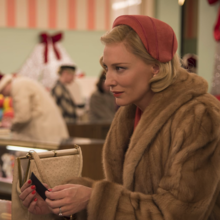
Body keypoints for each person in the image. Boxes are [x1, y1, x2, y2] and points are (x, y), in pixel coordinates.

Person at [19, 15, 220, 220]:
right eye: (107, 68)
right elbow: (125, 196)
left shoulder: (199, 115)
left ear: (156, 68)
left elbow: (179, 213)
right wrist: (61, 201)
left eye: (120, 68)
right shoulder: (130, 111)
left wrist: (92, 198)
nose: (108, 81)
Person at [0, 74, 69, 142]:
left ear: (4, 85)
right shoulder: (20, 83)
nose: (2, 95)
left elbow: (23, 116)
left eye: (1, 91)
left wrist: (11, 125)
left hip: (45, 133)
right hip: (49, 131)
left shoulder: (17, 87)